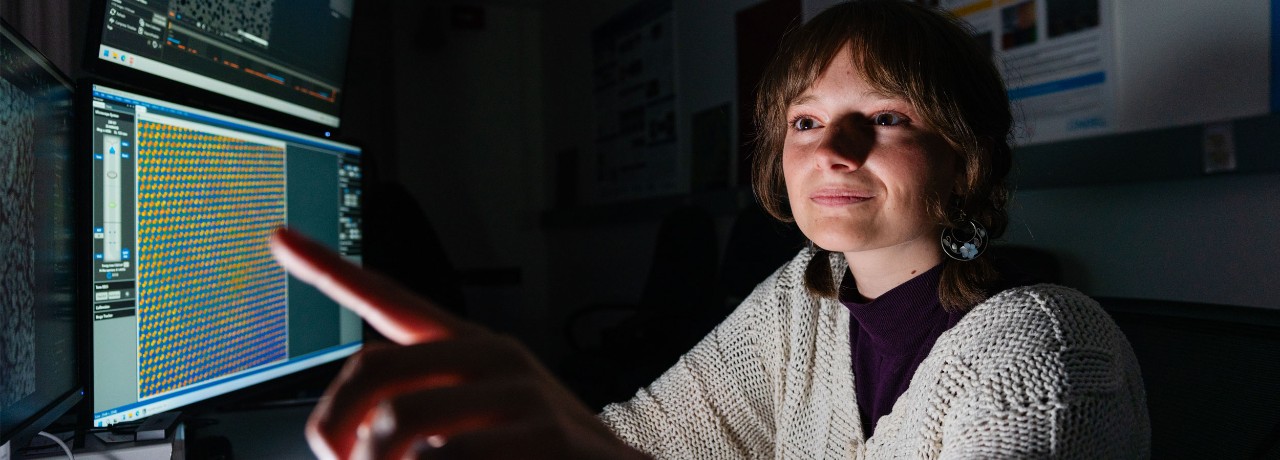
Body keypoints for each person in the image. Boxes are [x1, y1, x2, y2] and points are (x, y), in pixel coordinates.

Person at [270, 1, 1150, 458]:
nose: (832, 152)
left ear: (966, 160)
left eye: (883, 117)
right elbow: (645, 438)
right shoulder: (802, 300)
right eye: (806, 122)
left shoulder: (1044, 355)